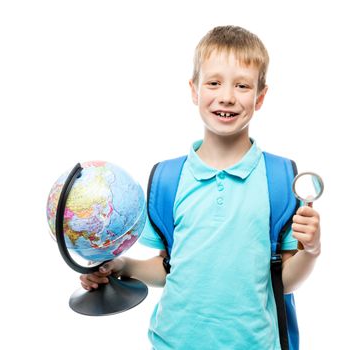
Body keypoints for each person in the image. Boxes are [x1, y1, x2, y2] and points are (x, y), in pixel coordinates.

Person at [80, 25, 321, 349]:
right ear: (194, 90)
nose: (226, 96)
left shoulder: (278, 178)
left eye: (242, 85)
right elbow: (168, 268)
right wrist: (123, 266)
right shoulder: (167, 179)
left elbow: (285, 281)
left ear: (260, 97)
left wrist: (312, 250)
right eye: (214, 83)